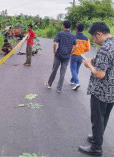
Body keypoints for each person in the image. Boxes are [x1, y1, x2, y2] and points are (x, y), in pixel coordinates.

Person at [78, 22, 114, 156]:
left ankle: (96, 148)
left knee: (97, 118)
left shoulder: (105, 48)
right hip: (112, 90)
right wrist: (97, 60)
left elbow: (100, 74)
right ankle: (96, 137)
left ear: (98, 34)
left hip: (101, 91)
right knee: (104, 116)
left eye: (93, 37)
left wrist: (89, 65)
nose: (94, 40)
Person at [45, 20, 77, 92]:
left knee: (54, 70)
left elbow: (54, 44)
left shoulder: (60, 34)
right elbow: (76, 46)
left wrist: (54, 52)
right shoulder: (73, 36)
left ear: (63, 26)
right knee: (62, 73)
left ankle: (49, 84)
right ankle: (59, 88)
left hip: (58, 55)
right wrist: (71, 52)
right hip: (67, 56)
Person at [70, 24, 90, 90]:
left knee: (73, 69)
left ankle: (77, 82)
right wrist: (82, 50)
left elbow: (70, 45)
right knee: (77, 69)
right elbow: (88, 48)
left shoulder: (73, 36)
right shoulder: (86, 38)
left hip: (74, 54)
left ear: (77, 29)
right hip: (81, 55)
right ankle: (72, 81)